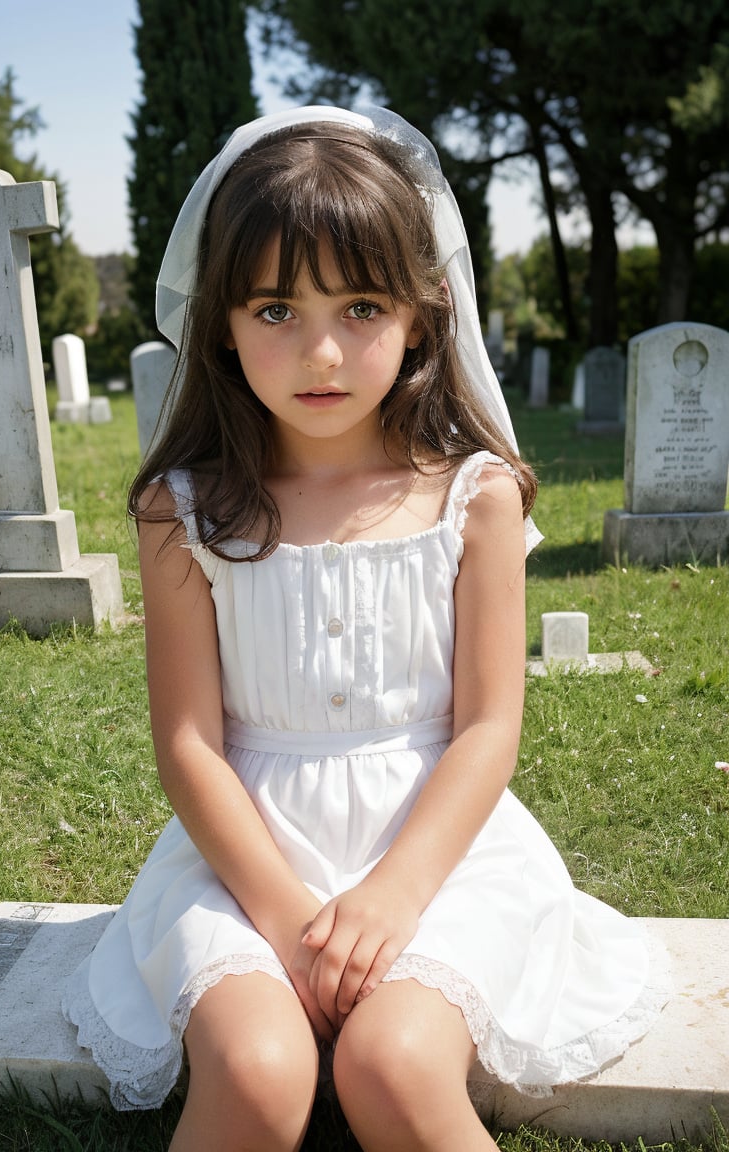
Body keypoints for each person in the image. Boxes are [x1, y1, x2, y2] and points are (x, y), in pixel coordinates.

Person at [63, 105, 668, 1152]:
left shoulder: (474, 500)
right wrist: (292, 922)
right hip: (242, 855)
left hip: (441, 852)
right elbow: (190, 744)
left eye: (360, 305)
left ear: (423, 315)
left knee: (391, 1062)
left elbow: (484, 729)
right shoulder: (184, 511)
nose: (323, 350)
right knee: (256, 1074)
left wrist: (391, 900)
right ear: (219, 321)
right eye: (275, 310)